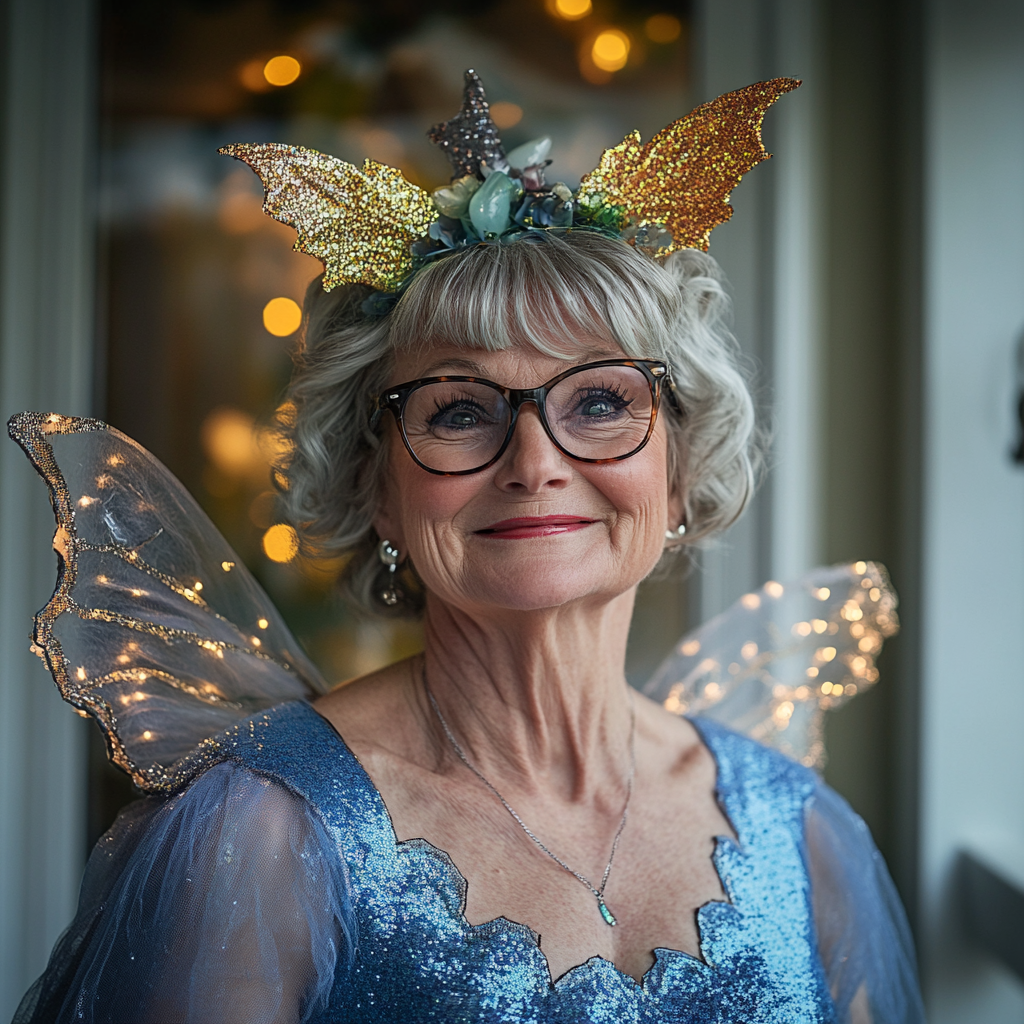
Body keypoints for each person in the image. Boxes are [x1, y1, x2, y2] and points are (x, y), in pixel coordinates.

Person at [12, 75, 924, 1023]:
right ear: (376, 490)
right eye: (457, 411)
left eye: (602, 403)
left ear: (681, 468)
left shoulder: (799, 828)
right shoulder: (263, 834)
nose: (535, 463)